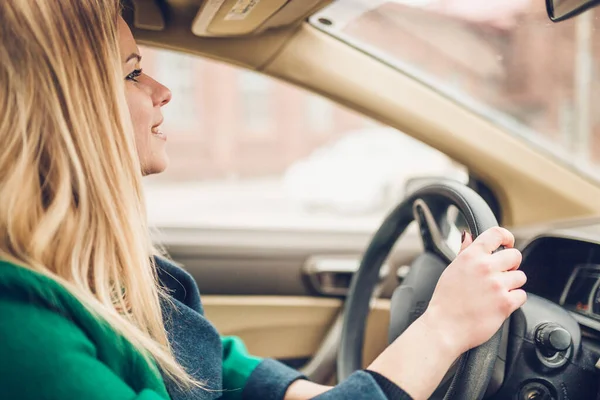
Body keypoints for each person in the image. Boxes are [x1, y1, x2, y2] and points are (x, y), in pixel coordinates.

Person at [0, 1, 527, 399]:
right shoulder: (27, 338)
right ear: (65, 108)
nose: (162, 90)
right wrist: (442, 329)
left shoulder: (96, 272)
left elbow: (218, 369)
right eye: (132, 72)